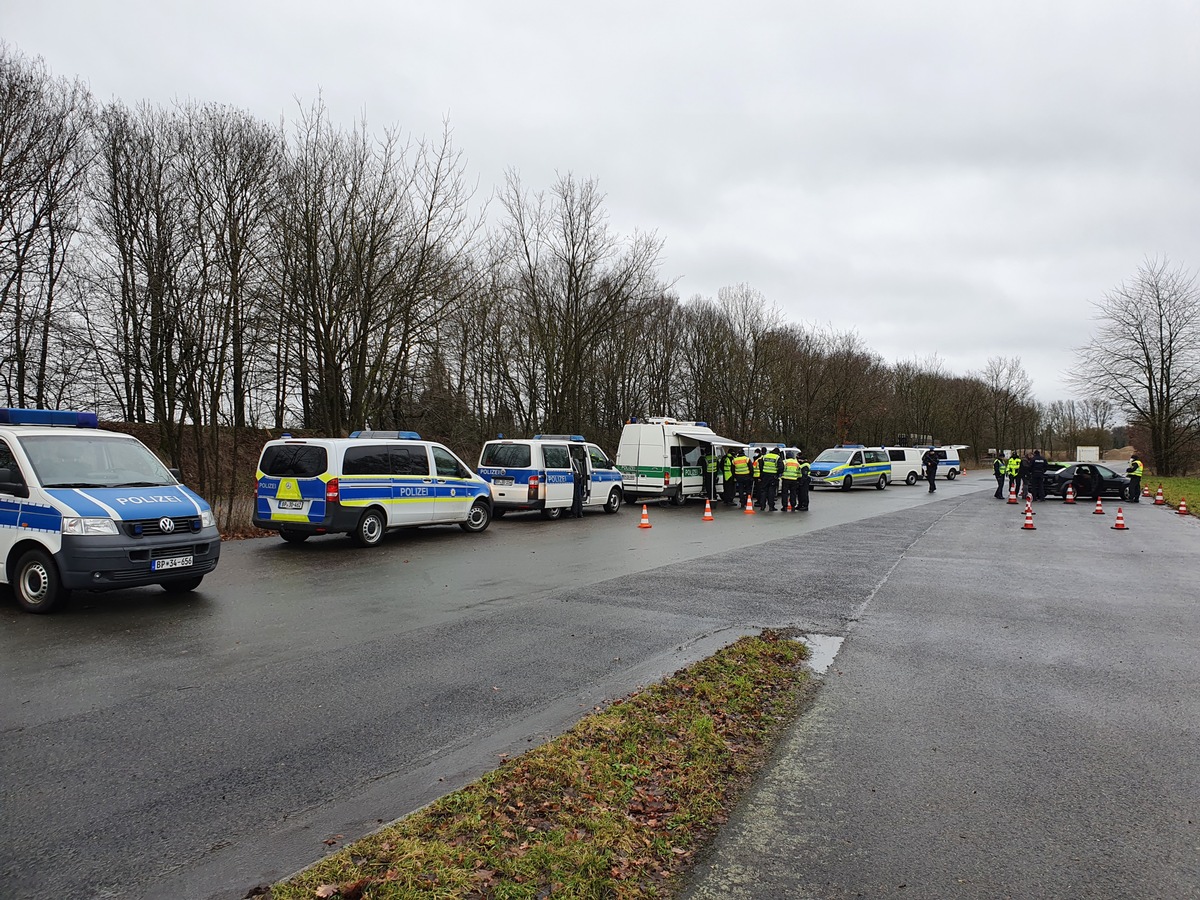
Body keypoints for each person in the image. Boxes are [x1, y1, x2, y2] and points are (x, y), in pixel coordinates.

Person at [758, 446, 782, 511]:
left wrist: (762, 474)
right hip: (773, 476)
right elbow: (781, 467)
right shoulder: (777, 457)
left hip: (765, 475)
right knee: (771, 492)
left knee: (764, 491)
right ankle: (771, 507)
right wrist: (777, 474)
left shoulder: (765, 456)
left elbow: (760, 465)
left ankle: (762, 506)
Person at [570, 453, 585, 518]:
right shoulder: (576, 461)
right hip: (579, 477)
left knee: (576, 497)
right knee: (578, 496)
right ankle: (580, 512)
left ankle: (575, 513)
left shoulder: (571, 460)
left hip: (575, 477)